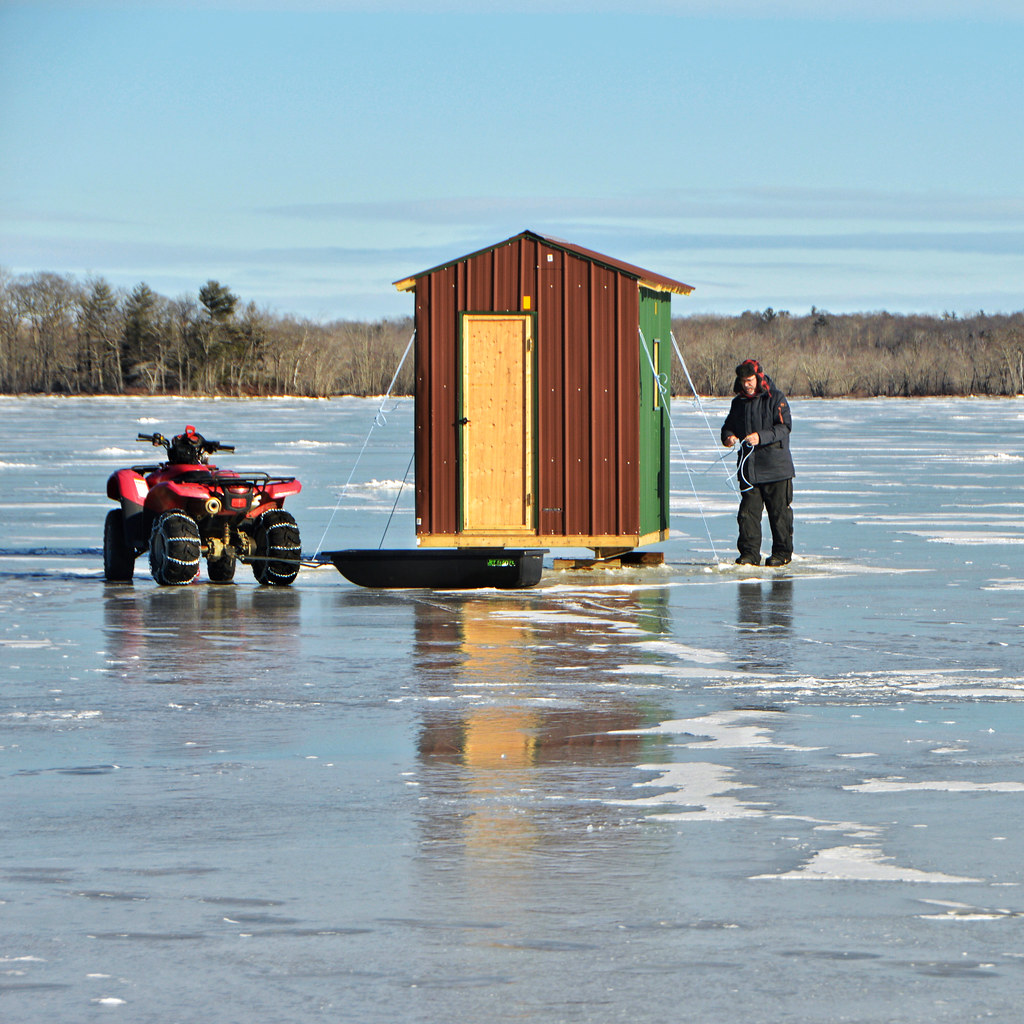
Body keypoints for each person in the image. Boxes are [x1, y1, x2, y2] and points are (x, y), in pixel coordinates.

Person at [720, 359, 795, 567]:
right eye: (743, 381)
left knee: (779, 514)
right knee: (747, 515)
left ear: (759, 378)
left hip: (777, 469)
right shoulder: (738, 403)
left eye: (750, 380)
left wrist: (760, 437)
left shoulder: (776, 398)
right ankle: (749, 555)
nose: (747, 385)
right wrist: (728, 438)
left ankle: (782, 553)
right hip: (749, 470)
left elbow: (784, 427)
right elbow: (727, 427)